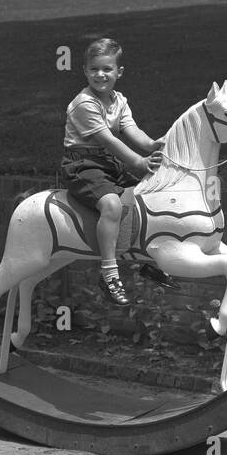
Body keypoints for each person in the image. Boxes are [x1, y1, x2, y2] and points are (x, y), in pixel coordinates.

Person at [60, 38, 164, 306]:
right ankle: (109, 273)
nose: (100, 75)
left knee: (147, 195)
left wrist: (153, 144)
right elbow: (110, 140)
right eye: (94, 69)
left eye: (107, 69)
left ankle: (145, 259)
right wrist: (139, 163)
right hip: (82, 165)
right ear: (85, 71)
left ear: (119, 72)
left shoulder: (119, 101)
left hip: (108, 165)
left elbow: (132, 131)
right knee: (111, 205)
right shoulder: (84, 104)